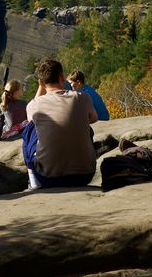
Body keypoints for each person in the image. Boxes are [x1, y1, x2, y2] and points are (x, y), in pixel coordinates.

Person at [22, 59, 97, 189]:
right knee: (86, 127)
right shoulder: (82, 97)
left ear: (41, 82)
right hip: (85, 175)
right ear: (62, 77)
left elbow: (31, 121)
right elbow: (94, 118)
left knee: (29, 130)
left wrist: (41, 86)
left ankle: (33, 181)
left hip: (48, 179)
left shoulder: (34, 105)